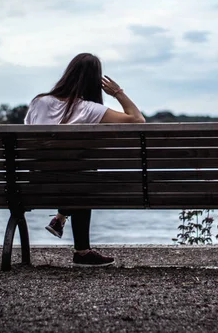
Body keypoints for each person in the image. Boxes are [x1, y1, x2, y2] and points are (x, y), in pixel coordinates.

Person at [24, 53, 145, 267]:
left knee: (76, 175)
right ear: (93, 82)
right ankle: (80, 249)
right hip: (77, 185)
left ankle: (61, 219)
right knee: (83, 176)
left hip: (35, 185)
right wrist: (117, 92)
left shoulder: (38, 102)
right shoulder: (89, 109)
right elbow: (137, 119)